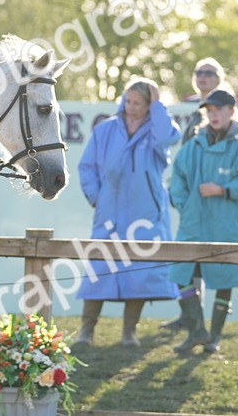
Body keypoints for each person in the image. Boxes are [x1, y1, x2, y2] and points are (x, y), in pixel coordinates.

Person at [162, 58, 238, 329]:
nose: (202, 77)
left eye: (209, 72)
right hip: (197, 209)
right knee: (189, 266)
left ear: (219, 78)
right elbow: (181, 166)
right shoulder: (196, 113)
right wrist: (183, 202)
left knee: (225, 268)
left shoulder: (237, 135)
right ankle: (193, 323)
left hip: (223, 213)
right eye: (198, 72)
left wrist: (224, 190)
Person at [72, 78, 181, 348]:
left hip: (146, 214)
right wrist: (96, 197)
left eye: (139, 103)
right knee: (99, 268)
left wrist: (158, 105)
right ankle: (86, 330)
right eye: (128, 101)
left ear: (149, 105)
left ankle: (129, 332)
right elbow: (86, 167)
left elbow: (168, 137)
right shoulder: (105, 130)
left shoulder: (157, 129)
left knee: (139, 272)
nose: (131, 107)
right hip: (109, 211)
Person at [168, 89, 238, 355]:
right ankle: (197, 331)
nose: (213, 115)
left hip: (228, 224)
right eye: (209, 111)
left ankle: (214, 338)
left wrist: (223, 189)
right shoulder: (194, 144)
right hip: (193, 223)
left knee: (224, 278)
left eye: (219, 110)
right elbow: (177, 178)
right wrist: (183, 204)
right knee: (181, 274)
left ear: (231, 112)